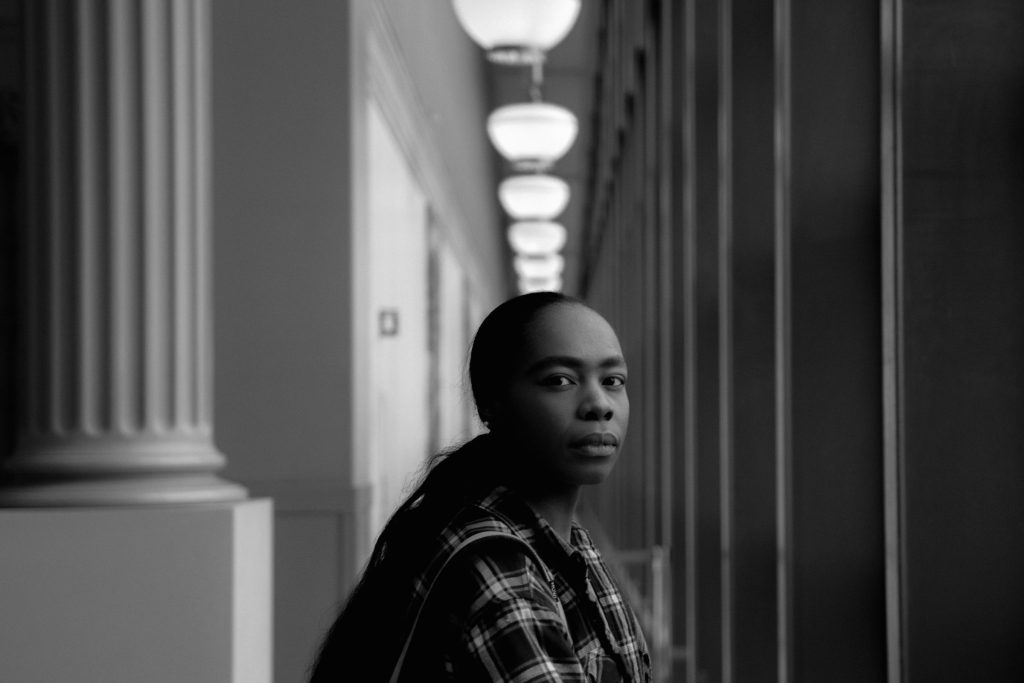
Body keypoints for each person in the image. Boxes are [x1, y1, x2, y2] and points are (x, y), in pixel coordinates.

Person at [309, 291, 652, 682]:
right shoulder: (499, 568)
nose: (599, 404)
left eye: (612, 380)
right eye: (560, 380)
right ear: (492, 401)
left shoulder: (568, 545)